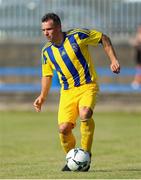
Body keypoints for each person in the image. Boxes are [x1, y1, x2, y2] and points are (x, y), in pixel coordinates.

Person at [33, 13, 120, 171]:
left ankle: (86, 154)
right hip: (67, 92)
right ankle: (72, 159)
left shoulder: (77, 36)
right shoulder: (46, 52)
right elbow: (47, 75)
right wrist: (42, 96)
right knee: (63, 129)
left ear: (59, 27)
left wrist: (113, 60)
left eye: (49, 29)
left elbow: (103, 38)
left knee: (85, 113)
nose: (46, 33)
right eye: (43, 30)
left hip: (88, 86)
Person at [131, 25, 141, 89]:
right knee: (138, 68)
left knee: (139, 68)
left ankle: (137, 81)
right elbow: (134, 43)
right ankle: (137, 81)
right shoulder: (138, 35)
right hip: (139, 54)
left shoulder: (139, 36)